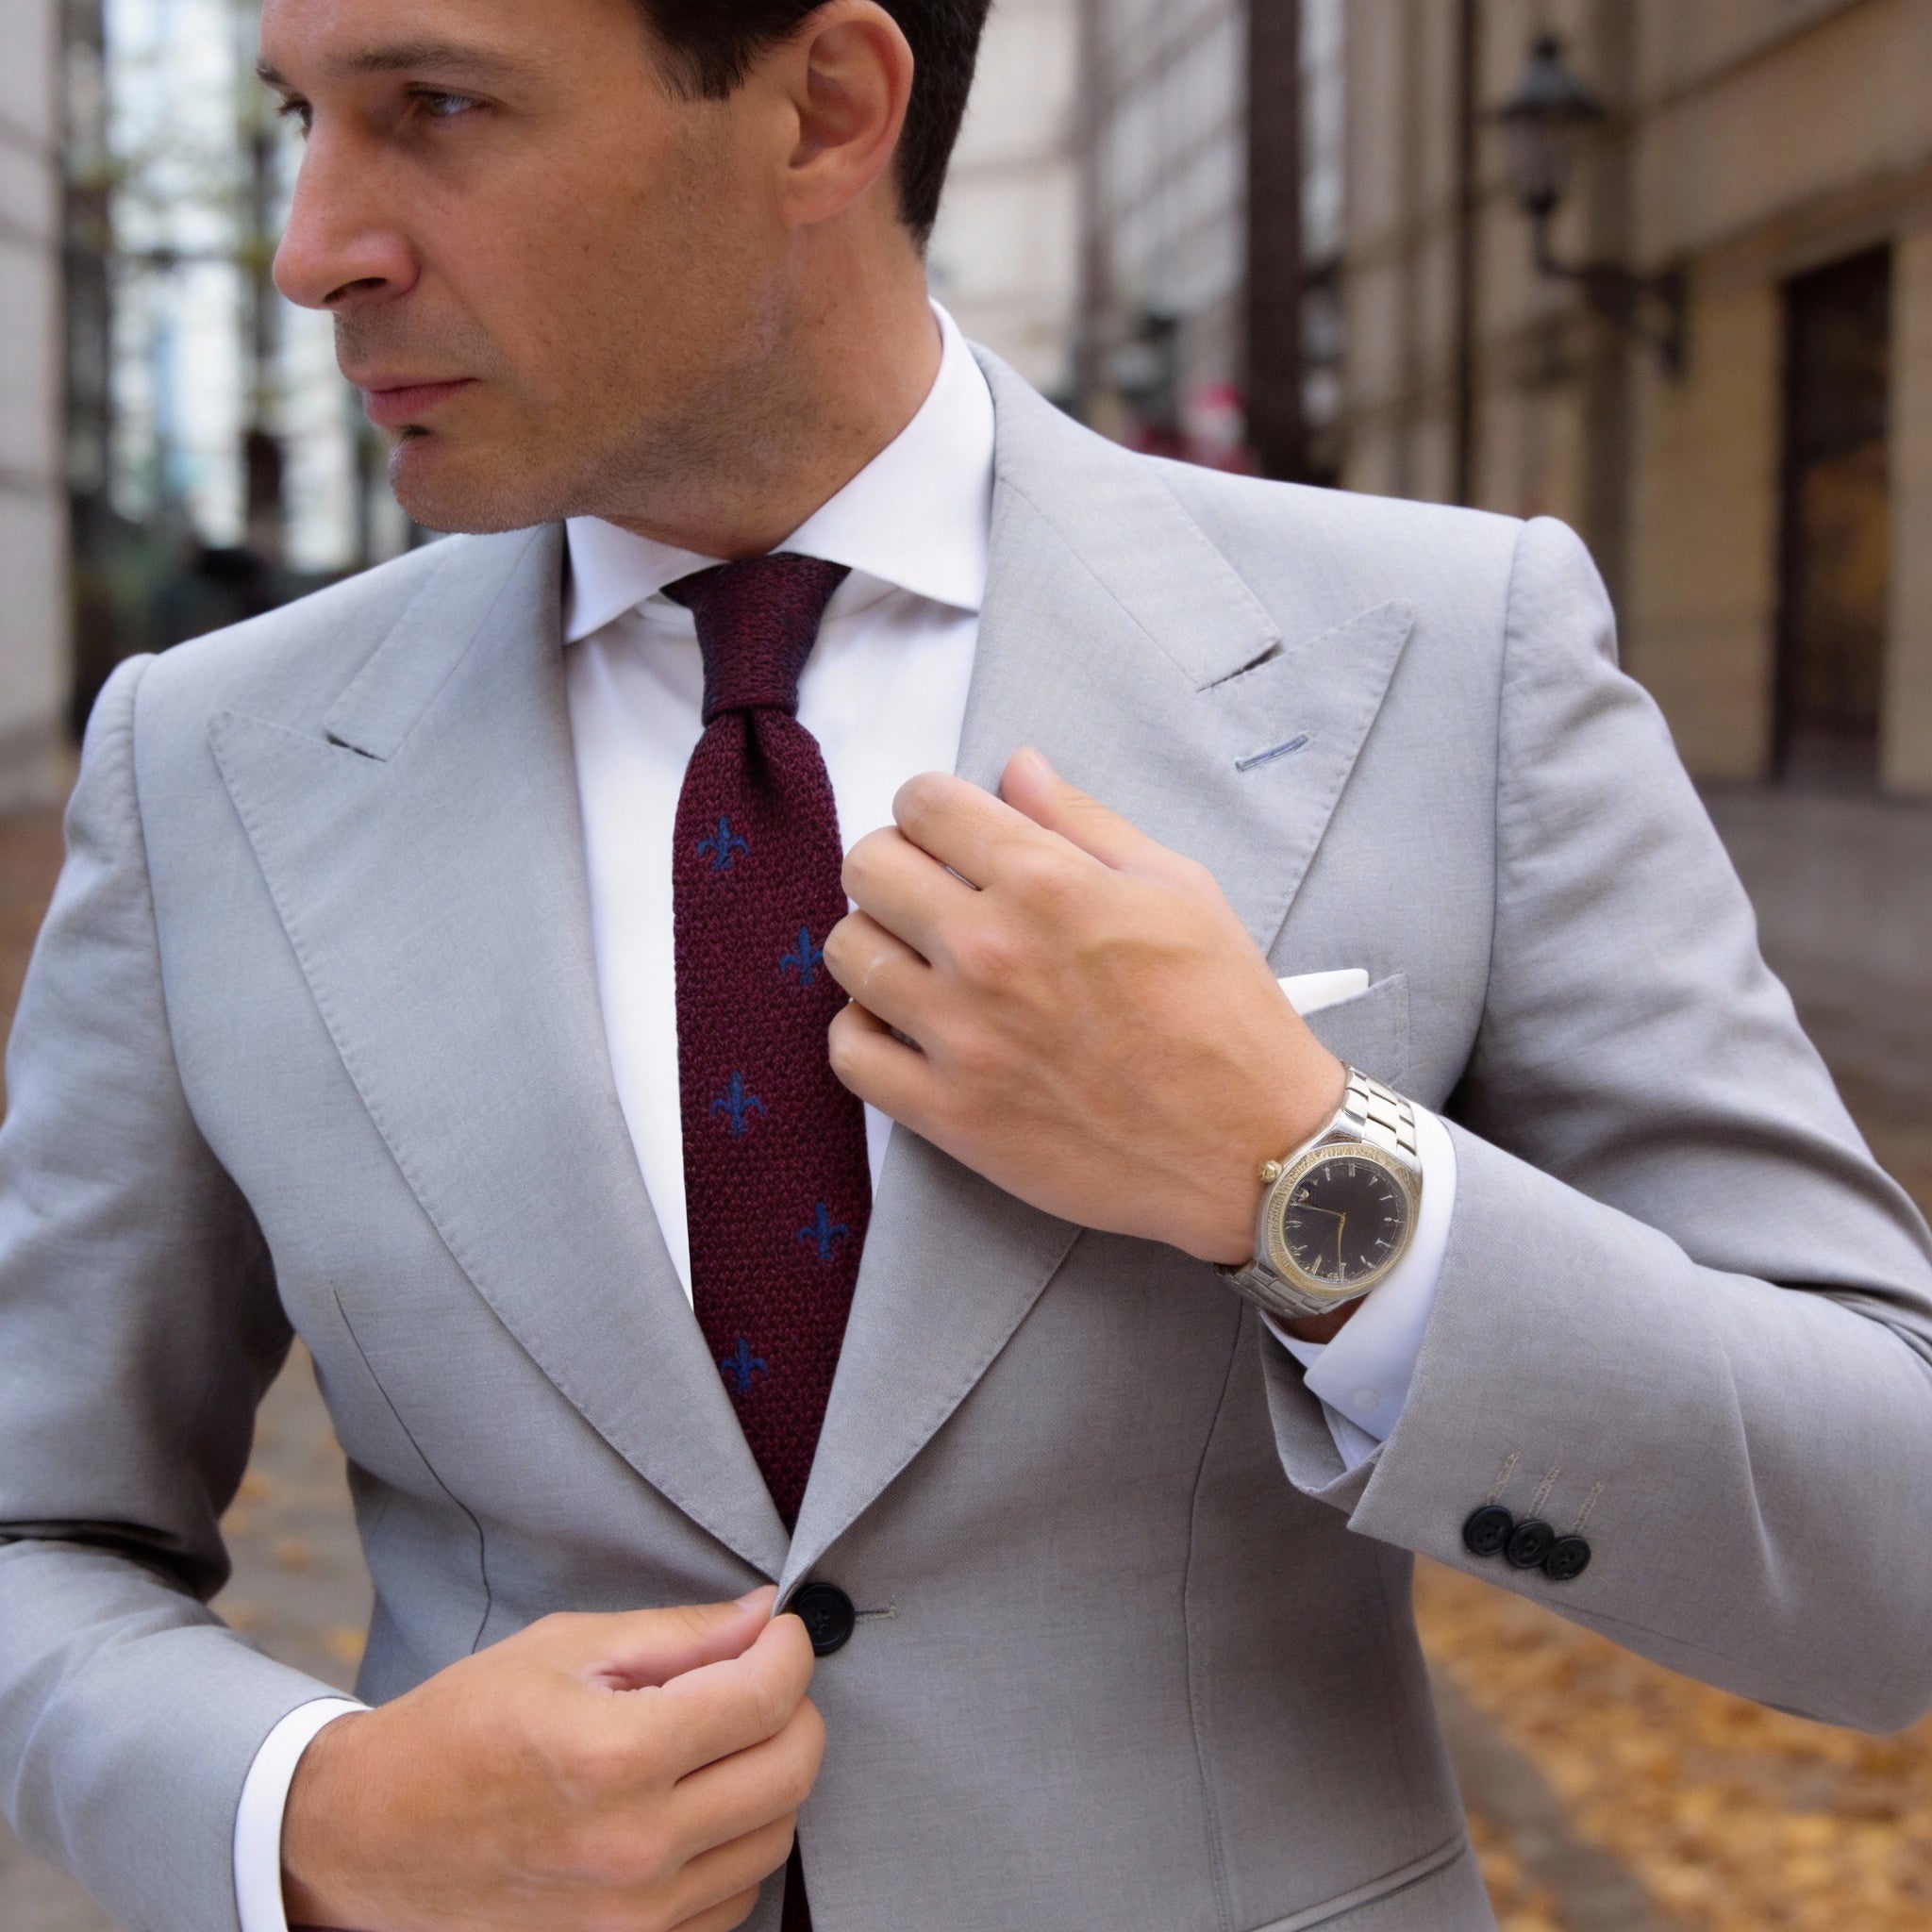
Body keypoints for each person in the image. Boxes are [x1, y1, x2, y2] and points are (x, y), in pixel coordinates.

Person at [3, 0, 1930, 1927]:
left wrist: (1298, 1172)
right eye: (296, 121)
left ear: (826, 110)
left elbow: (1892, 1542)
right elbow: (35, 1530)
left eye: (434, 107)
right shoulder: (204, 765)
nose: (314, 245)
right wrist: (302, 1812)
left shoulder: (1445, 655)